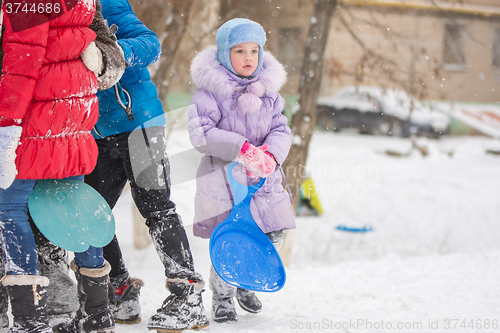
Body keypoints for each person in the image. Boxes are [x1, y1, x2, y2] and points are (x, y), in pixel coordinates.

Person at [82, 0, 210, 331]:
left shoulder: (107, 7)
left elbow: (151, 45)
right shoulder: (62, 17)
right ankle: (120, 289)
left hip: (139, 123)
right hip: (97, 131)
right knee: (91, 213)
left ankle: (187, 295)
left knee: (155, 206)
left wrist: (112, 50)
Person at [0, 0, 126, 332]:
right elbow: (100, 35)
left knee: (9, 206)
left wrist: (6, 124)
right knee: (71, 199)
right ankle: (97, 312)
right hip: (75, 108)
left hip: (37, 110)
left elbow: (22, 63)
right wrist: (101, 61)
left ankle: (28, 316)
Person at [187, 18, 296, 322]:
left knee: (272, 234)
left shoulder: (269, 93)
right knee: (231, 237)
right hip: (225, 181)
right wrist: (242, 149)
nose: (248, 58)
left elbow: (280, 129)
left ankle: (245, 280)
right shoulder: (210, 92)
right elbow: (201, 134)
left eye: (254, 51)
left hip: (264, 179)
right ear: (224, 53)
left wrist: (271, 155)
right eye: (240, 51)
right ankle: (223, 295)